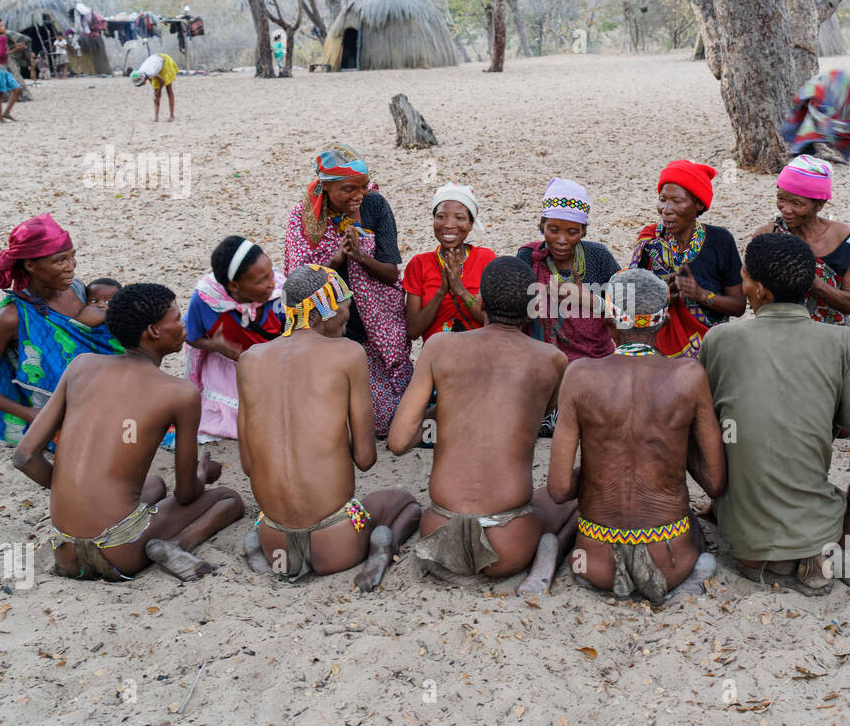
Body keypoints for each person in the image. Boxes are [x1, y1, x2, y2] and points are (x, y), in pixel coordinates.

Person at [11, 284, 245, 581]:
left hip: (66, 551)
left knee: (154, 485)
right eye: (176, 318)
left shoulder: (81, 367)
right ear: (153, 331)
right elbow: (186, 493)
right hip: (120, 550)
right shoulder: (180, 393)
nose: (183, 324)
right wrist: (202, 474)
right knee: (229, 499)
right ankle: (175, 545)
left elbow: (23, 456)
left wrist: (68, 491)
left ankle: (115, 524)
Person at [700, 234, 850, 595]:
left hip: (747, 544)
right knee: (844, 507)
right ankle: (826, 557)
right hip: (820, 527)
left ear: (761, 291)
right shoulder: (844, 342)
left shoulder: (720, 339)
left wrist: (716, 496)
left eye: (745, 278)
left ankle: (785, 555)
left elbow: (709, 428)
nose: (743, 285)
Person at [388, 257, 577, 594]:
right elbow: (541, 411)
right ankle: (545, 562)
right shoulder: (552, 359)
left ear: (481, 302)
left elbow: (399, 441)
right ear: (533, 307)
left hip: (438, 535)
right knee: (571, 502)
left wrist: (444, 413)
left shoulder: (438, 347)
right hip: (508, 543)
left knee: (407, 503)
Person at [546, 269, 724, 604]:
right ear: (665, 323)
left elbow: (558, 490)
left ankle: (555, 559)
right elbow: (715, 484)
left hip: (595, 563)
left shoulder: (579, 375)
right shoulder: (689, 376)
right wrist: (674, 450)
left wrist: (598, 476)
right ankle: (690, 582)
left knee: (557, 510)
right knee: (699, 541)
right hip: (670, 561)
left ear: (609, 323)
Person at [237, 265, 421, 586]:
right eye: (344, 317)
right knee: (404, 503)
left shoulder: (250, 359)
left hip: (273, 540)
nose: (345, 326)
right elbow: (365, 460)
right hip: (336, 541)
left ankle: (255, 551)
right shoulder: (348, 353)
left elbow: (249, 465)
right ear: (323, 312)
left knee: (268, 521)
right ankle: (380, 548)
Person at [284, 146, 412, 435]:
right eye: (348, 189)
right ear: (325, 187)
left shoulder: (375, 206)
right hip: (332, 322)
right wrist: (336, 261)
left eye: (363, 186)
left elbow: (391, 272)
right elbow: (299, 284)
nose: (359, 195)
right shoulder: (303, 219)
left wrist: (361, 258)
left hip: (377, 321)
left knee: (386, 415)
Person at [0, 214, 123, 445]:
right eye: (60, 260)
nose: (71, 267)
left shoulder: (77, 289)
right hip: (58, 417)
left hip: (96, 397)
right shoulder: (13, 317)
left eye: (72, 257)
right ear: (31, 266)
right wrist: (29, 414)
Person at [751, 154, 850, 368]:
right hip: (781, 334)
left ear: (820, 204)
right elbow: (756, 300)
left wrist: (813, 282)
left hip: (832, 336)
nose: (786, 209)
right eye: (781, 198)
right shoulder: (767, 237)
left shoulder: (845, 238)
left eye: (797, 203)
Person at [629, 160, 744, 358]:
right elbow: (630, 303)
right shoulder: (650, 242)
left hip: (710, 350)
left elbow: (738, 306)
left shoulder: (720, 241)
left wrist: (700, 294)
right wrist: (665, 299)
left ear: (698, 204)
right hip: (657, 350)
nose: (666, 209)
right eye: (663, 199)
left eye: (677, 201)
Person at [185, 236, 286, 441]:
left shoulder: (281, 294)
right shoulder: (206, 299)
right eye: (261, 280)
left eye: (270, 273)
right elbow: (190, 336)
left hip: (275, 364)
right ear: (234, 286)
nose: (271, 283)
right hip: (229, 368)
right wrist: (217, 346)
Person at [515, 178, 620, 362]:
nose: (562, 240)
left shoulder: (598, 256)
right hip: (541, 362)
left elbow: (629, 311)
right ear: (543, 226)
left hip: (595, 362)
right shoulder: (529, 256)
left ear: (583, 231)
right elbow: (510, 311)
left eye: (572, 232)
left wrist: (592, 301)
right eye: (553, 230)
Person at [402, 183, 496, 342]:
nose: (449, 224)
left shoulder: (486, 259)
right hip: (437, 356)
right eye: (441, 216)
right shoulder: (419, 264)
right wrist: (441, 291)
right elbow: (412, 331)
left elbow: (493, 323)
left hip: (479, 353)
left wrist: (459, 288)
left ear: (471, 224)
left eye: (459, 218)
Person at [780, 69, 850, 164]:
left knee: (832, 127)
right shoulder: (808, 113)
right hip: (824, 93)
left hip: (830, 91)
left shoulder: (818, 109)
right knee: (831, 127)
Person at [130, 52, 179, 121]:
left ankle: (172, 115)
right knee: (156, 95)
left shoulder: (150, 72)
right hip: (155, 64)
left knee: (169, 89)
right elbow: (151, 80)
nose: (140, 86)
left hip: (164, 61)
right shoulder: (142, 71)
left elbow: (162, 81)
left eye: (140, 84)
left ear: (143, 79)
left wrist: (158, 91)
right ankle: (156, 117)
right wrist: (156, 92)